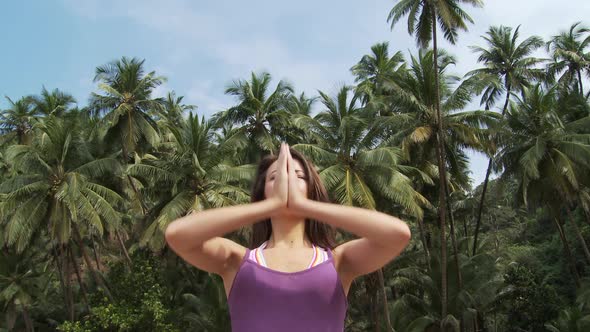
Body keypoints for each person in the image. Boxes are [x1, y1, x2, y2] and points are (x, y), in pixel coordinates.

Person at [165, 143, 411, 331]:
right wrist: (271, 206)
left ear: (311, 189)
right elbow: (178, 235)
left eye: (298, 176)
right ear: (263, 192)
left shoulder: (338, 261)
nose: (287, 182)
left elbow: (397, 235)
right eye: (275, 178)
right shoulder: (237, 261)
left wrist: (304, 205)